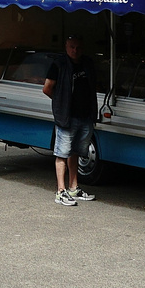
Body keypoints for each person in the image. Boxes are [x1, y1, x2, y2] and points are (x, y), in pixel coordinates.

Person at [43, 35, 99, 206]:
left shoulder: (87, 63)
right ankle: (60, 191)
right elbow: (47, 88)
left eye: (78, 47)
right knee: (61, 153)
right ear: (66, 47)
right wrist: (61, 101)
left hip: (85, 116)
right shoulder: (59, 64)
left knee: (75, 152)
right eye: (72, 47)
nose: (75, 50)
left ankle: (74, 187)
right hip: (66, 117)